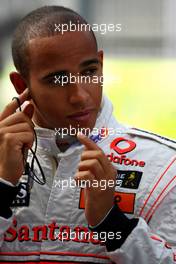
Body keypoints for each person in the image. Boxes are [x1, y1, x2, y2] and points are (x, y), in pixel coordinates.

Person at [0, 5, 175, 264]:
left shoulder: (165, 168)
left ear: (101, 65)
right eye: (57, 80)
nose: (80, 96)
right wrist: (3, 187)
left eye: (89, 72)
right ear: (22, 85)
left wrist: (111, 222)